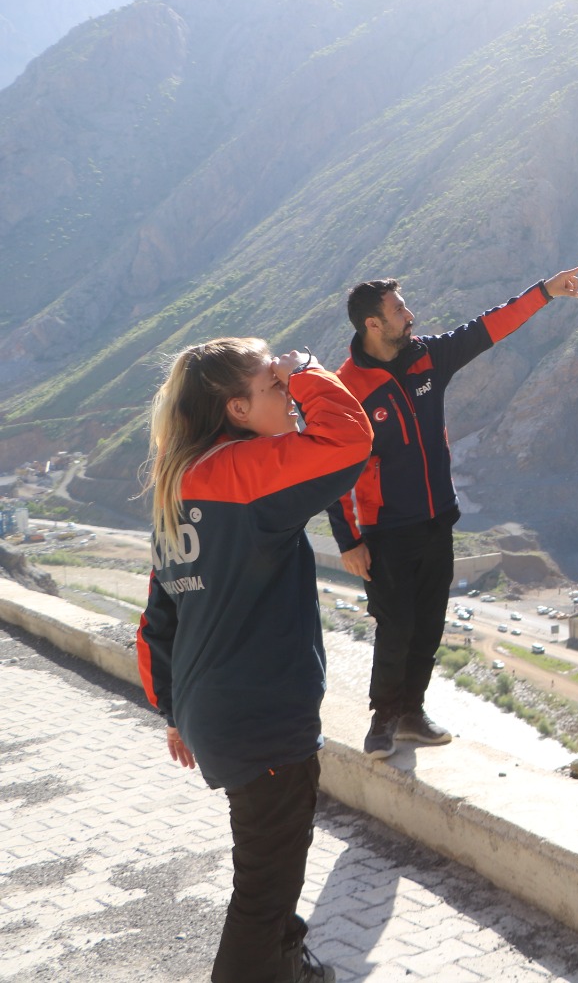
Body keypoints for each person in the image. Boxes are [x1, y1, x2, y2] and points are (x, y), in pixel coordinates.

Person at [136, 338, 374, 983]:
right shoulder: (241, 471)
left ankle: (289, 966)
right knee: (263, 886)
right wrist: (311, 370)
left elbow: (159, 622)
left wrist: (174, 712)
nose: (290, 395)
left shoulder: (180, 485)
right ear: (238, 409)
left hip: (217, 710)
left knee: (277, 861)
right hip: (259, 713)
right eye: (276, 387)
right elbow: (349, 442)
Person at [327, 263, 578, 758]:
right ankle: (382, 720)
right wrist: (349, 540)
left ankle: (412, 714)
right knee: (395, 626)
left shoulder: (428, 357)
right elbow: (335, 471)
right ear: (372, 326)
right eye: (399, 309)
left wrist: (545, 293)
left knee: (428, 623)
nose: (411, 314)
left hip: (437, 518)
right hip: (385, 531)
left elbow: (488, 327)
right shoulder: (347, 389)